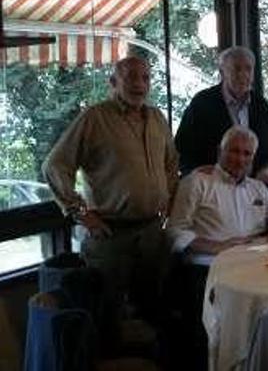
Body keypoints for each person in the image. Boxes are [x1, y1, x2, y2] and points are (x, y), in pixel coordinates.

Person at [42, 56, 178, 322]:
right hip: (111, 237)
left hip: (152, 234)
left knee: (154, 313)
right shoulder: (95, 118)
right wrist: (81, 212)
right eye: (131, 77)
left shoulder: (157, 118)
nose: (139, 84)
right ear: (113, 82)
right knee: (106, 316)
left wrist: (168, 198)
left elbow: (171, 163)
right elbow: (55, 165)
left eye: (145, 78)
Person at [167, 125, 268, 371]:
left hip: (256, 267)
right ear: (219, 151)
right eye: (234, 151)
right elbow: (174, 233)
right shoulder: (197, 182)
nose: (240, 159)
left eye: (247, 154)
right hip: (208, 270)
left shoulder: (257, 188)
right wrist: (217, 247)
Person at [175, 46, 268, 183]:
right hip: (213, 186)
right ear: (222, 72)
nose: (243, 75)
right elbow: (183, 149)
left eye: (248, 69)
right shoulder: (202, 103)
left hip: (254, 187)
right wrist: (198, 174)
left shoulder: (261, 105)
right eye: (236, 69)